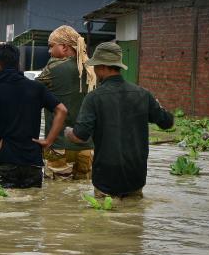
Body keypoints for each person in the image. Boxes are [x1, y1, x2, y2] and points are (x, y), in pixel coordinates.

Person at [66, 42, 174, 198]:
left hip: (106, 177)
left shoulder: (94, 98)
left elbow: (79, 136)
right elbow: (167, 122)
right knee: (132, 219)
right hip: (135, 175)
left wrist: (68, 132)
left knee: (104, 220)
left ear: (103, 67)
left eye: (96, 66)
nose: (95, 71)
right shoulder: (143, 94)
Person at [0, 43, 68, 188]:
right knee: (32, 206)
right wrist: (49, 140)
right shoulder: (36, 87)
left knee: (7, 207)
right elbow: (62, 110)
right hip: (33, 160)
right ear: (18, 63)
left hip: (6, 158)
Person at [36, 25, 97, 180]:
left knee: (56, 197)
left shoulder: (54, 66)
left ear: (64, 47)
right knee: (81, 195)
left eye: (51, 46)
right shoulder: (93, 70)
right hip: (87, 147)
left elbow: (33, 91)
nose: (49, 51)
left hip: (59, 145)